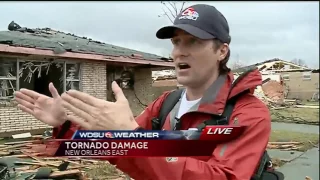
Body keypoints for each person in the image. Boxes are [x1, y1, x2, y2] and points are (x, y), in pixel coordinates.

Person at [14, 4, 271, 180]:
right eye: (176, 42)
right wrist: (64, 126)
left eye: (193, 41)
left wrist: (135, 135)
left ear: (221, 51)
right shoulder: (167, 104)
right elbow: (117, 148)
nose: (178, 51)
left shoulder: (246, 114)